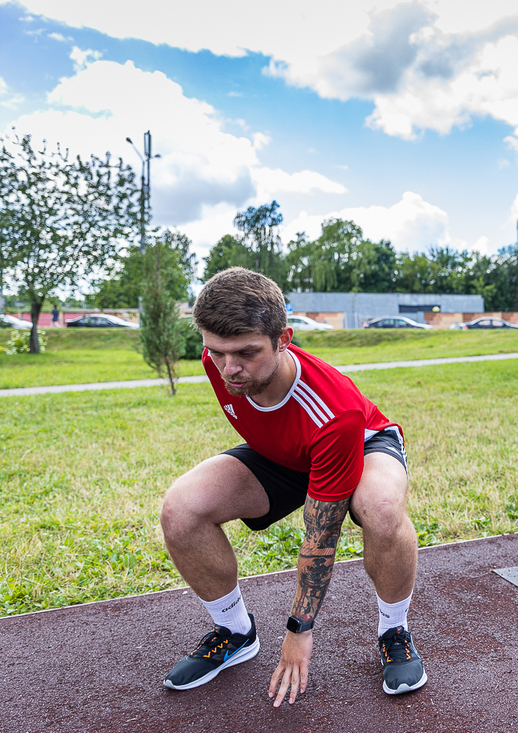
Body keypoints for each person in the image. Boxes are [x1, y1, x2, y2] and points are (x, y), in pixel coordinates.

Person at [159, 267, 426, 705]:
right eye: (217, 351)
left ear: (284, 338)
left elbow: (320, 539)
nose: (230, 368)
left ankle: (394, 629)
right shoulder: (221, 362)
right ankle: (235, 631)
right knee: (181, 508)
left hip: (356, 445)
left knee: (380, 509)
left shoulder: (334, 412)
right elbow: (251, 398)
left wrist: (299, 632)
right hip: (284, 456)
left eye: (246, 352)